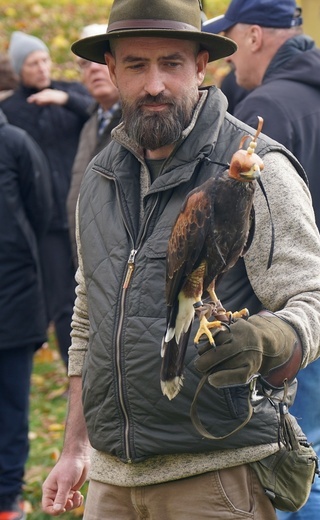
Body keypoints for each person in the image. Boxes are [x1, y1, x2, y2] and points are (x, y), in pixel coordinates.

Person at [41, 1, 320, 519]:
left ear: (202, 65)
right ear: (111, 69)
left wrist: (273, 337)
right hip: (111, 482)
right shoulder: (100, 176)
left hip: (217, 477)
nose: (154, 84)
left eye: (172, 63)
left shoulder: (257, 168)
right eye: (136, 65)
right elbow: (87, 318)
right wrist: (76, 448)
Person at [203, 1, 320, 519]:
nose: (227, 62)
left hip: (307, 321)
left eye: (228, 38)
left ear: (251, 36)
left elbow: (234, 217)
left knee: (295, 474)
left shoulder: (266, 108)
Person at [0, 32, 93, 367]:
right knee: (62, 301)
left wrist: (64, 100)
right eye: (31, 63)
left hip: (85, 213)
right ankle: (75, 370)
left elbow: (102, 117)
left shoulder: (74, 93)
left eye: (43, 60)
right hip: (47, 224)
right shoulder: (9, 111)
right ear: (18, 70)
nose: (40, 68)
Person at [0, 107, 52, 520]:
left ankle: (7, 498)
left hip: (12, 299)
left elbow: (42, 211)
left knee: (11, 405)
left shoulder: (15, 143)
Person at [67, 24, 122, 268]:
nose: (93, 70)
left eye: (99, 61)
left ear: (115, 65)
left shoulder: (140, 124)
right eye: (85, 63)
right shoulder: (91, 123)